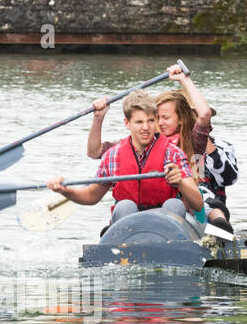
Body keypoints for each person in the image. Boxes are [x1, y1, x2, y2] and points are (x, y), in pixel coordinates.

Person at [48, 91, 204, 226]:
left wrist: (181, 182)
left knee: (174, 204)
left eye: (151, 121)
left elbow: (197, 204)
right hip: (128, 228)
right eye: (139, 122)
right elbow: (91, 196)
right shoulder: (113, 156)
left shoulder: (173, 153)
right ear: (127, 123)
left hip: (165, 226)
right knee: (124, 206)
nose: (146, 128)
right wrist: (65, 190)